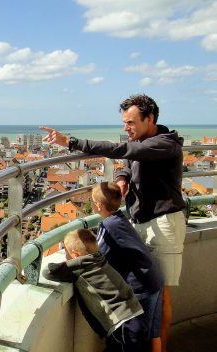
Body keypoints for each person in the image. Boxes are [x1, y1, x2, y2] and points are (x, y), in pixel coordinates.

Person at [40, 94, 185, 351]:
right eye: (124, 122)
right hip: (142, 220)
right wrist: (121, 179)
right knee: (150, 289)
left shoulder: (164, 144)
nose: (125, 128)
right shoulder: (139, 141)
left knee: (162, 295)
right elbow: (127, 162)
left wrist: (71, 142)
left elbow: (124, 151)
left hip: (163, 225)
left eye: (130, 122)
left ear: (149, 118)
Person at [43, 229, 145, 351]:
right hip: (135, 316)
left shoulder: (81, 265)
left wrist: (68, 262)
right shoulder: (99, 258)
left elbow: (48, 272)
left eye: (66, 252)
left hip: (122, 326)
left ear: (76, 255)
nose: (66, 257)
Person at [92, 182, 164, 351]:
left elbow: (98, 258)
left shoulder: (109, 226)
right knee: (152, 334)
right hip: (153, 280)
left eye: (93, 200)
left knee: (132, 339)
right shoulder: (120, 219)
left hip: (140, 286)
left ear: (99, 205)